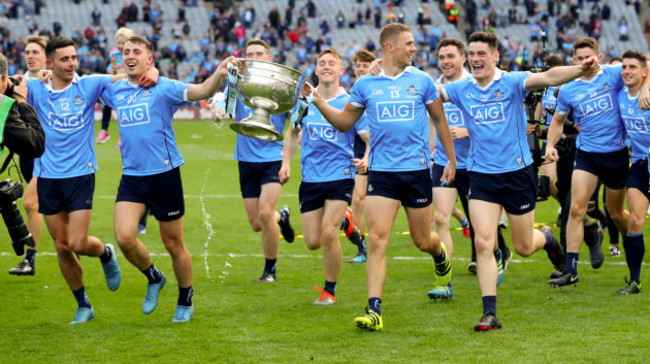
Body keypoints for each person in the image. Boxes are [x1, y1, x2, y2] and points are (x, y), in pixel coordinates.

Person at [439, 31, 597, 331]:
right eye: (471, 54)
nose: (475, 59)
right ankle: (489, 313)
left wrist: (580, 69)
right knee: (484, 243)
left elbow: (549, 77)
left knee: (524, 246)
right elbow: (426, 93)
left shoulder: (511, 81)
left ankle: (547, 238)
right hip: (481, 176)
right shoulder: (461, 88)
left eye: (481, 53)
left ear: (495, 56)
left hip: (516, 174)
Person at [309, 23, 455, 331]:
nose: (414, 48)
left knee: (422, 240)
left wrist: (450, 160)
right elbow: (345, 123)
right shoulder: (365, 85)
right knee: (376, 240)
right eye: (409, 44)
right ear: (390, 47)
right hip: (382, 174)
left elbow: (440, 121)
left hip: (416, 172)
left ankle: (440, 254)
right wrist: (318, 101)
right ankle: (374, 310)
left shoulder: (422, 80)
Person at [100, 35, 234, 322]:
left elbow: (200, 91)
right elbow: (87, 82)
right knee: (124, 237)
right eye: (126, 52)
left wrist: (219, 73)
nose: (130, 55)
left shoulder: (164, 86)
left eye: (137, 51)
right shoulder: (116, 89)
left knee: (174, 244)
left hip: (164, 174)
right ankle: (154, 277)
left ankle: (185, 299)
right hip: (132, 177)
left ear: (150, 59)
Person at [23, 37, 153, 324]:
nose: (71, 64)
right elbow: (10, 85)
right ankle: (84, 305)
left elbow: (125, 76)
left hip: (80, 174)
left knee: (78, 242)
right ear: (50, 64)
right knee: (61, 246)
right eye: (64, 59)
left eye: (74, 58)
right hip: (47, 176)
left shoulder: (89, 84)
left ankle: (105, 253)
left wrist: (151, 72)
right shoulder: (34, 88)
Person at [545, 37, 650, 288]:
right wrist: (549, 145)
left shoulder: (615, 74)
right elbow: (558, 122)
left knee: (616, 213)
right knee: (575, 209)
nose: (585, 62)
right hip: (587, 155)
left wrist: (645, 86)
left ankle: (629, 240)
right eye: (579, 59)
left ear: (599, 57)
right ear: (573, 61)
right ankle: (571, 271)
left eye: (588, 57)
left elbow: (644, 65)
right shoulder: (569, 89)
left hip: (617, 155)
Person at [282, 48, 369, 305]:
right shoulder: (304, 101)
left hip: (340, 175)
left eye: (333, 63)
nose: (327, 66)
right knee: (312, 242)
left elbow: (368, 137)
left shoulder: (351, 103)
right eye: (322, 63)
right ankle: (347, 223)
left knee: (329, 234)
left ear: (341, 71)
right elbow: (293, 132)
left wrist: (367, 158)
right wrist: (286, 162)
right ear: (316, 70)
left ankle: (329, 290)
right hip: (310, 178)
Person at [427, 37, 511, 301]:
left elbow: (495, 123)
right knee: (440, 217)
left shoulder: (475, 84)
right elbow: (434, 120)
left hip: (476, 163)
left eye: (451, 56)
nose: (446, 62)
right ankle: (444, 281)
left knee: (480, 225)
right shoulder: (436, 87)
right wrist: (431, 149)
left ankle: (499, 253)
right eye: (441, 57)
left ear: (463, 58)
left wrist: (467, 131)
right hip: (444, 161)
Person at [211, 39, 295, 283]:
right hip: (246, 160)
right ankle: (283, 218)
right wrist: (217, 112)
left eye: (260, 53)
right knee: (257, 223)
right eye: (250, 53)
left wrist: (287, 161)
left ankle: (270, 270)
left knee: (265, 212)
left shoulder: (279, 85)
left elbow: (295, 124)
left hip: (272, 158)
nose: (255, 56)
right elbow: (223, 108)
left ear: (268, 58)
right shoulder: (237, 82)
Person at [8, 35, 46, 276]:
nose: (31, 56)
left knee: (31, 203)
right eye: (28, 52)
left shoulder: (52, 80)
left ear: (46, 57)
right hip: (27, 151)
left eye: (36, 52)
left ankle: (29, 260)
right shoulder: (18, 81)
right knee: (45, 208)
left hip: (48, 152)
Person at [615, 49, 649, 295]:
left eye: (633, 67)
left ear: (644, 72)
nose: (626, 71)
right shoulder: (619, 96)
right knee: (635, 221)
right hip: (639, 163)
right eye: (624, 67)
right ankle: (635, 281)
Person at [348, 49, 376, 264]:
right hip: (361, 156)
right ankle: (362, 248)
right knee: (357, 201)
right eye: (358, 65)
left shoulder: (379, 91)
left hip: (385, 155)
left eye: (365, 65)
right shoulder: (351, 96)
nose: (361, 68)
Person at [96, 27, 134, 146]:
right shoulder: (114, 53)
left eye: (123, 43)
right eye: (119, 43)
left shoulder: (132, 54)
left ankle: (124, 136)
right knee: (106, 104)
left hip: (128, 85)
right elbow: (111, 67)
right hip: (116, 83)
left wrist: (123, 70)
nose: (121, 45)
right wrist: (111, 70)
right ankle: (104, 130)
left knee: (124, 110)